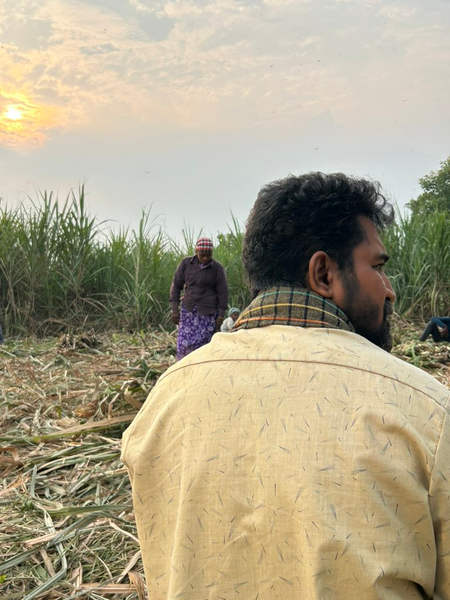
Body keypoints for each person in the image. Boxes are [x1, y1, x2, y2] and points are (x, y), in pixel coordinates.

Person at [122, 173, 450, 599]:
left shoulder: (164, 400)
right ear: (323, 273)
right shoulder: (426, 413)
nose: (389, 291)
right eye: (377, 267)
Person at [169, 237, 228, 360]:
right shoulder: (186, 264)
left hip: (208, 313)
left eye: (208, 255)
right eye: (202, 255)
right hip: (189, 311)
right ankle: (184, 368)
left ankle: (202, 369)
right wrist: (174, 310)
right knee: (184, 345)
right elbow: (176, 286)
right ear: (196, 252)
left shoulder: (217, 268)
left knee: (205, 347)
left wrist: (221, 315)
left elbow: (223, 292)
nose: (205, 258)